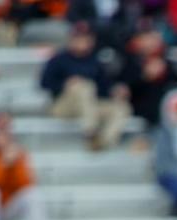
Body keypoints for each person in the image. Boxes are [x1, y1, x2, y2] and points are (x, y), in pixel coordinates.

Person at [40, 21, 132, 151]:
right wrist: (65, 84)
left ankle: (103, 142)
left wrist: (115, 90)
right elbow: (44, 83)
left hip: (89, 107)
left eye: (85, 38)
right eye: (78, 38)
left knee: (121, 108)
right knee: (83, 86)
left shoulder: (94, 61)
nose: (81, 41)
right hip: (63, 106)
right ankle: (90, 132)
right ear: (71, 39)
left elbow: (103, 88)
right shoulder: (59, 59)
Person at [123, 26, 177, 129]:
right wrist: (145, 76)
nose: (152, 42)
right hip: (141, 107)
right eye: (148, 38)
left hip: (165, 111)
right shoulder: (130, 59)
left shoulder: (164, 58)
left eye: (153, 38)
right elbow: (127, 85)